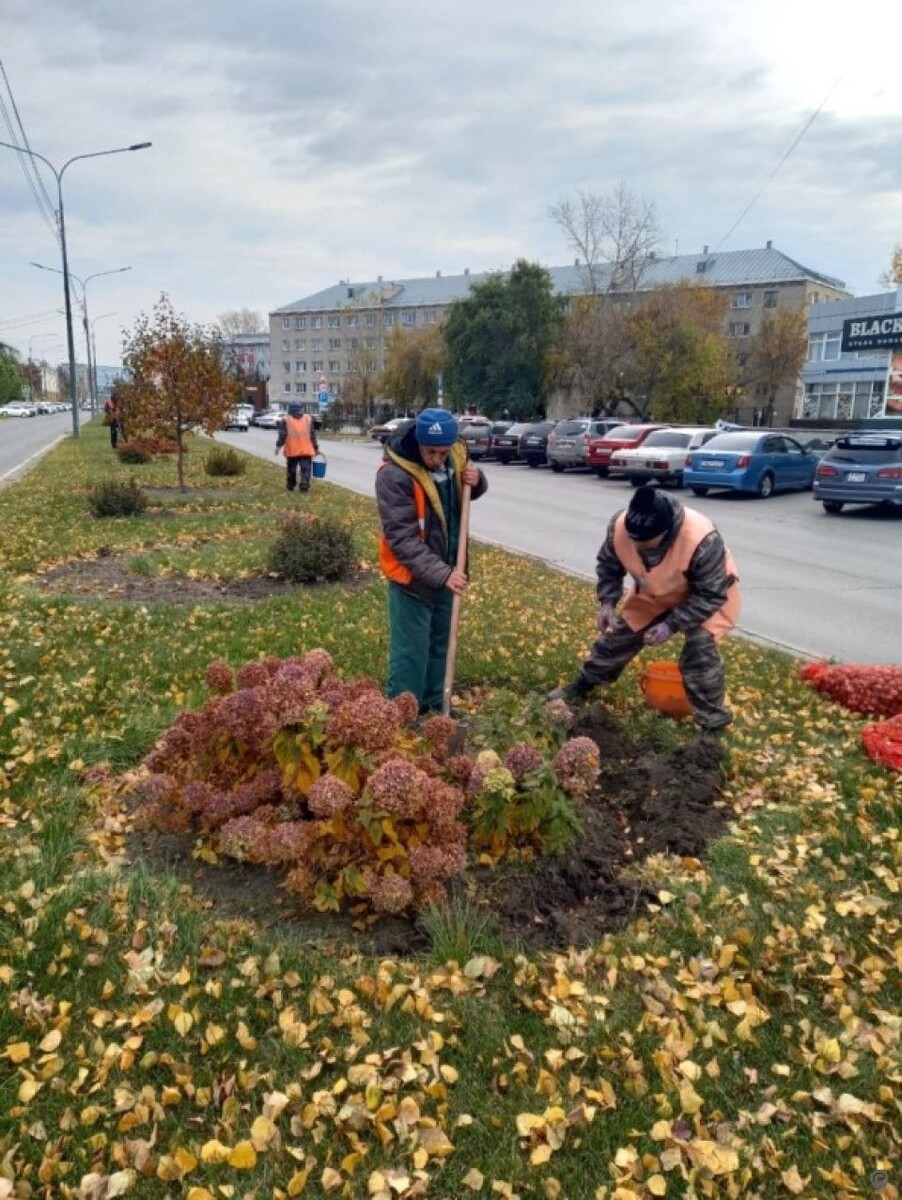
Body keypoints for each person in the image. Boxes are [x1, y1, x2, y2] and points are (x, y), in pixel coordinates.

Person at [549, 485, 741, 735]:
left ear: (667, 532)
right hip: (657, 592)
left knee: (700, 651)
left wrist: (671, 625)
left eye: (647, 543)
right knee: (618, 637)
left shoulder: (702, 539)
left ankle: (713, 726)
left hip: (707, 597)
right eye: (635, 541)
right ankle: (583, 685)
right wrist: (607, 602)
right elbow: (609, 564)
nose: (639, 548)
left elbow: (712, 594)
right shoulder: (619, 527)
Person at [375, 407, 487, 715]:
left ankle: (436, 707)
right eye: (431, 452)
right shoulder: (393, 476)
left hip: (450, 567)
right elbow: (403, 540)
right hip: (411, 577)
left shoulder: (454, 457)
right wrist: (442, 574)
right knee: (412, 652)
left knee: (441, 643)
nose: (438, 458)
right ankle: (403, 715)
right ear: (418, 443)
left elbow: (460, 498)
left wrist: (476, 482)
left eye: (443, 452)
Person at [275, 402, 318, 492]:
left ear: (290, 410)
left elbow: (282, 434)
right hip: (306, 449)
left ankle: (291, 485)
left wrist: (278, 446)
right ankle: (304, 486)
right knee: (305, 469)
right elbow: (312, 435)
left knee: (292, 469)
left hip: (292, 449)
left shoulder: (286, 419)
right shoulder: (307, 419)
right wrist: (315, 447)